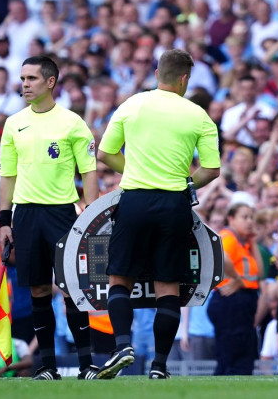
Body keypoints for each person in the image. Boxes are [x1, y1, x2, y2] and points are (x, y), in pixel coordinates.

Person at [96, 49, 221, 379]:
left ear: (156, 74)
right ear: (184, 79)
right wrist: (186, 182)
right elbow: (212, 169)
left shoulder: (131, 105)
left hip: (135, 199)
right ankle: (159, 366)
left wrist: (133, 169)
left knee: (119, 279)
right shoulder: (198, 115)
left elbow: (106, 153)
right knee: (168, 286)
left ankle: (123, 345)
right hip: (174, 204)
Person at [0, 56, 99, 380]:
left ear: (51, 82)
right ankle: (47, 367)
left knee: (72, 289)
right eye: (23, 78)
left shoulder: (72, 123)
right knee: (39, 291)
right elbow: (7, 175)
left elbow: (89, 172)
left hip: (62, 214)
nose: (25, 84)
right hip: (26, 215)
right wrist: (4, 220)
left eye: (32, 78)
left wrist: (92, 216)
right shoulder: (14, 123)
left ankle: (86, 366)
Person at [207, 203, 263, 375]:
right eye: (244, 217)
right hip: (231, 301)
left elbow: (259, 273)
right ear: (231, 219)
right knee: (234, 358)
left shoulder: (244, 243)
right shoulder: (228, 237)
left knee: (241, 355)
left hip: (241, 302)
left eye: (251, 217)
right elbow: (221, 257)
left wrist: (253, 243)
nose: (249, 222)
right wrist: (237, 279)